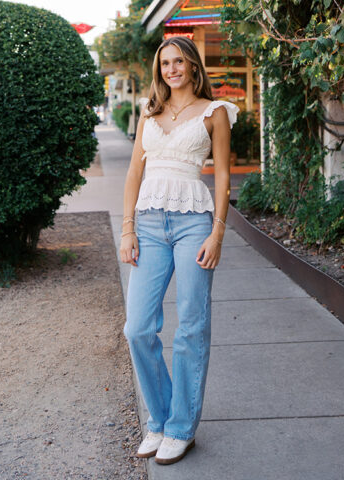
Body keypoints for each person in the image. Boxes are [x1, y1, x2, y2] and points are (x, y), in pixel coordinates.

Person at [120, 36, 237, 466]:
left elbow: (223, 176)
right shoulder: (149, 112)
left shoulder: (215, 112)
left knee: (190, 326)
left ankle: (181, 428)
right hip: (147, 225)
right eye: (164, 63)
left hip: (193, 223)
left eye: (178, 61)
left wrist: (217, 234)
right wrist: (127, 228)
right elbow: (135, 170)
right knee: (138, 328)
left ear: (191, 66)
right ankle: (161, 417)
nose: (171, 69)